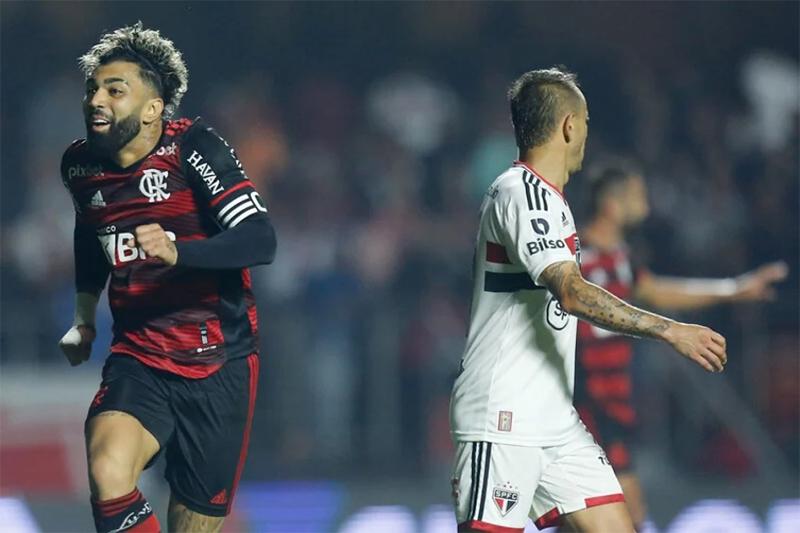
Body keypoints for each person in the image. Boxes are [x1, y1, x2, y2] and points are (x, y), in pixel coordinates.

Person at [449, 66, 728, 533]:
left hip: (557, 422)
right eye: (586, 122)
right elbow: (573, 293)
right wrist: (670, 329)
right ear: (569, 125)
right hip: (502, 420)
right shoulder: (522, 194)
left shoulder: (552, 201)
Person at [58, 23, 277, 533]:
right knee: (107, 469)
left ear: (153, 108)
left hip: (219, 362)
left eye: (116, 90)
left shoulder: (194, 148)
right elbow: (90, 235)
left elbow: (261, 240)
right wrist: (84, 316)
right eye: (93, 88)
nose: (97, 100)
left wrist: (179, 251)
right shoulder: (79, 166)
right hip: (139, 359)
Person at [574, 159, 787, 530]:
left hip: (613, 407)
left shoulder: (620, 257)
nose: (646, 205)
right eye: (638, 196)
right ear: (612, 204)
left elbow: (655, 290)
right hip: (587, 408)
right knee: (628, 518)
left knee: (599, 520)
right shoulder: (573, 258)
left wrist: (733, 289)